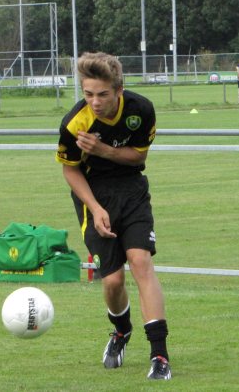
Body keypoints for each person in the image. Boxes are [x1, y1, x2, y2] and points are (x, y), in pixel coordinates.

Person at [56, 52, 171, 380]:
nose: (94, 102)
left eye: (102, 94)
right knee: (113, 280)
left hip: (131, 191)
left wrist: (104, 150)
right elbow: (70, 171)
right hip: (93, 196)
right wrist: (95, 209)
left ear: (118, 90)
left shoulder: (141, 109)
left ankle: (159, 355)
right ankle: (120, 333)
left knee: (141, 263)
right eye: (88, 93)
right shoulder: (73, 123)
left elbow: (137, 158)